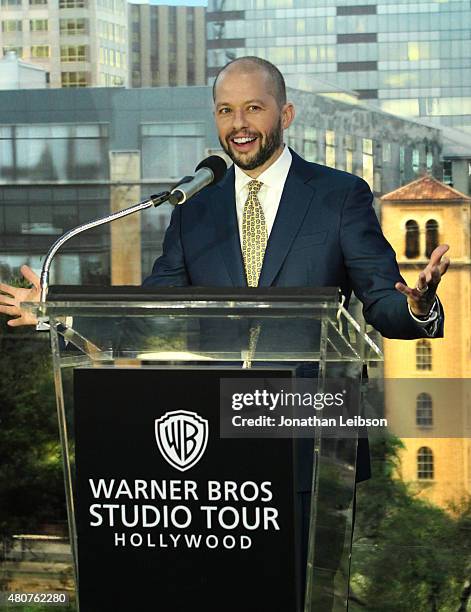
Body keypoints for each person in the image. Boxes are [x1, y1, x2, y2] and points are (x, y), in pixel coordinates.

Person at [0, 56, 449, 330]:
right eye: (226, 111)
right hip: (218, 431)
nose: (239, 125)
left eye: (254, 108)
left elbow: (382, 300)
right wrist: (55, 311)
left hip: (314, 427)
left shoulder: (340, 195)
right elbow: (150, 314)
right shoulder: (194, 205)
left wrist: (420, 306)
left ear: (286, 114)